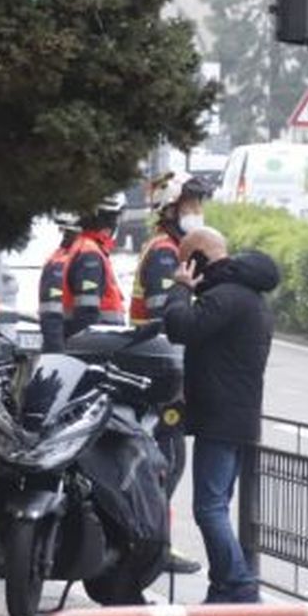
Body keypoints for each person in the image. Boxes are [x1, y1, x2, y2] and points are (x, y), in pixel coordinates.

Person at [162, 226, 280, 616]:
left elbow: (180, 326)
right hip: (236, 417)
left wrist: (179, 288)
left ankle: (242, 588)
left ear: (196, 260)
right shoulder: (247, 297)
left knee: (209, 507)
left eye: (185, 260)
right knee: (218, 505)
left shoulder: (226, 298)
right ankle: (222, 597)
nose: (182, 268)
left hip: (221, 418)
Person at [131, 173, 216, 576]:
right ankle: (152, 545)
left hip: (161, 366)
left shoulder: (172, 250)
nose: (197, 212)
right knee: (165, 461)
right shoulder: (166, 254)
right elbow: (169, 315)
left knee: (167, 461)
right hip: (158, 369)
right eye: (191, 204)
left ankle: (155, 542)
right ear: (170, 208)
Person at [60, 192, 128, 338]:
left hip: (98, 343)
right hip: (99, 347)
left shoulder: (87, 248)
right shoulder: (90, 254)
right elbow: (87, 310)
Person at [36, 212, 81, 353]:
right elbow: (51, 312)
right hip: (67, 346)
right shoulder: (60, 263)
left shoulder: (68, 258)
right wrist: (57, 353)